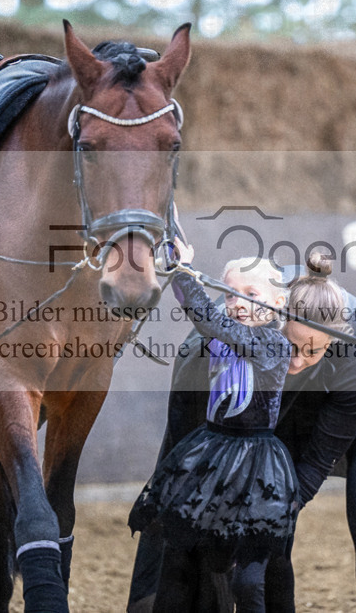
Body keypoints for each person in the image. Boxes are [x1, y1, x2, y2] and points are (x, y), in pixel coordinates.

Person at [128, 253, 356, 613]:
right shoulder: (249, 320)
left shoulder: (353, 346)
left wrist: (270, 516)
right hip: (302, 389)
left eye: (310, 350)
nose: (295, 361)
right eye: (291, 346)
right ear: (277, 315)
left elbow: (318, 460)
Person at [128, 240, 299, 613]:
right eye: (230, 294)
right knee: (186, 549)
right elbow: (204, 318)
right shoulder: (222, 333)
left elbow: (210, 320)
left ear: (278, 302)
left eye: (251, 294)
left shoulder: (273, 344)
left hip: (254, 461)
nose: (237, 302)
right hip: (212, 451)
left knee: (249, 575)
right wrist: (179, 272)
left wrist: (185, 273)